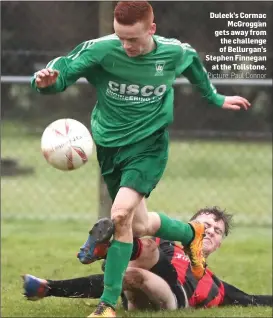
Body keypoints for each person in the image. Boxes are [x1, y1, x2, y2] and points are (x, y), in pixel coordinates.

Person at [31, 2, 251, 316]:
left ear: (151, 29)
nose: (126, 45)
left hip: (149, 147)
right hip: (110, 147)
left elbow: (192, 65)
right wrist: (46, 84)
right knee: (139, 224)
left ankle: (106, 305)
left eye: (133, 39)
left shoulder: (173, 52)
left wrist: (216, 98)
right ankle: (192, 233)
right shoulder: (101, 50)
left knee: (119, 215)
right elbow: (62, 71)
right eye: (121, 37)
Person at [23, 207, 271, 313]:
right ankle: (49, 286)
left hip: (172, 298)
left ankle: (108, 252)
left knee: (134, 275)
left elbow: (253, 300)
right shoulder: (167, 244)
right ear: (189, 227)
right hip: (136, 288)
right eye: (204, 226)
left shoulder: (215, 284)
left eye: (217, 232)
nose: (210, 232)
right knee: (147, 250)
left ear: (218, 245)